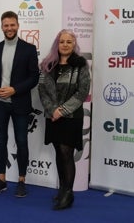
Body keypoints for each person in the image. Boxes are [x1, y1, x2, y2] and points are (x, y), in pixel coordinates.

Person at [0, 11, 39, 198]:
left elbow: (34, 77)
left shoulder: (29, 49)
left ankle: (22, 181)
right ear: (2, 26)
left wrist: (15, 89)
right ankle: (1, 180)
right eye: (6, 25)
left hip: (20, 104)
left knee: (22, 142)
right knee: (0, 142)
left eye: (12, 25)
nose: (9, 28)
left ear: (18, 25)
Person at [38, 29, 90, 210]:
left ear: (74, 44)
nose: (65, 45)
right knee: (58, 153)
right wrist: (53, 110)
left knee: (66, 153)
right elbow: (42, 90)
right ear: (57, 44)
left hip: (71, 117)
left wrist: (63, 110)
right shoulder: (47, 64)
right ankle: (62, 189)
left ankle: (68, 193)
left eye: (69, 42)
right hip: (52, 117)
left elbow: (82, 91)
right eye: (62, 42)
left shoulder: (81, 65)